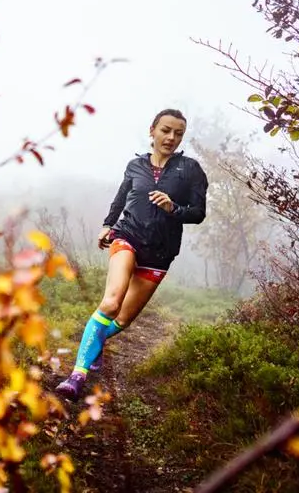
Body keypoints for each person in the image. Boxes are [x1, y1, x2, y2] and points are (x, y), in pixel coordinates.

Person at [55, 108, 208, 400]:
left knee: (122, 320)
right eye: (166, 130)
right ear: (152, 130)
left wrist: (172, 208)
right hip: (128, 237)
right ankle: (77, 375)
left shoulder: (190, 170)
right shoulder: (135, 165)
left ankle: (95, 345)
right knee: (111, 302)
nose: (171, 137)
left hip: (160, 253)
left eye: (178, 133)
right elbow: (122, 197)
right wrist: (107, 225)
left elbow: (199, 213)